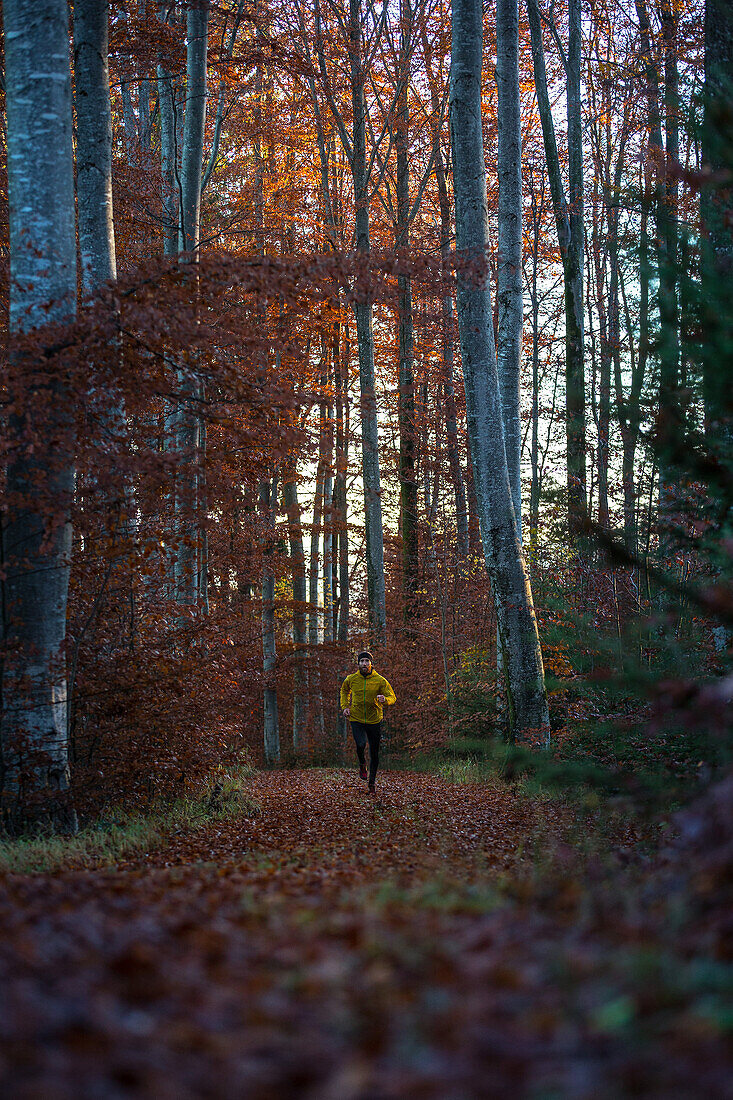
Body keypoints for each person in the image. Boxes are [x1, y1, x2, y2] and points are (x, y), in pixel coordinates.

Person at [340, 651, 396, 794]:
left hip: (374, 719)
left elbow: (392, 696)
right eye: (362, 661)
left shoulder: (380, 680)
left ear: (371, 663)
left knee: (374, 752)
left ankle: (372, 783)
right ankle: (362, 764)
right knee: (360, 744)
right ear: (358, 663)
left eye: (367, 661)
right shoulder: (351, 679)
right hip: (356, 718)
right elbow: (344, 691)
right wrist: (345, 706)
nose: (364, 664)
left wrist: (386, 699)